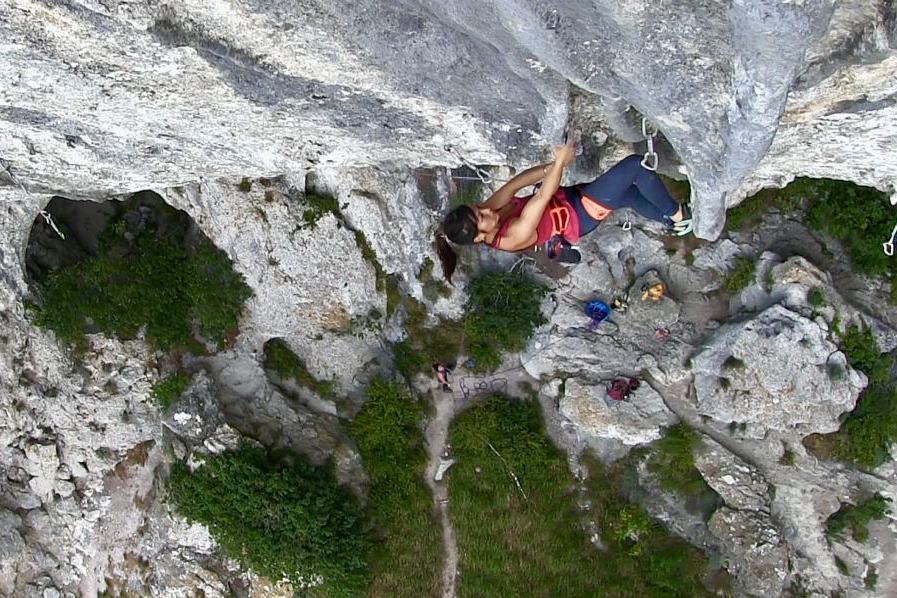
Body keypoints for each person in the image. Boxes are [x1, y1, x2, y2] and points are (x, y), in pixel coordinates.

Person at [435, 141, 692, 282]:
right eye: (481, 216)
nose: (486, 210)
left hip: (568, 198)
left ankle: (671, 221)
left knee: (627, 196)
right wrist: (560, 162)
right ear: (480, 238)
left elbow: (516, 184)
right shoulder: (512, 236)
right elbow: (541, 196)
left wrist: (550, 167)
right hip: (580, 215)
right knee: (634, 167)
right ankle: (678, 214)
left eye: (478, 207)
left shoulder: (486, 213)